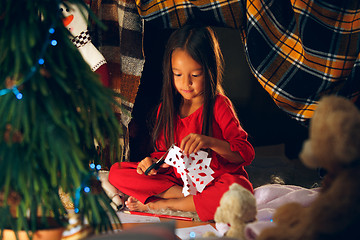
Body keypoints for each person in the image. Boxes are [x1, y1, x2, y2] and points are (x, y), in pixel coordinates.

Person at [108, 24, 255, 221]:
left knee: (238, 191)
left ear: (210, 69)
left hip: (215, 181)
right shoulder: (166, 109)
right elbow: (164, 154)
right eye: (178, 75)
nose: (186, 84)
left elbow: (245, 153)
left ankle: (161, 204)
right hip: (178, 182)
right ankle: (189, 198)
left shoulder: (219, 105)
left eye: (195, 75)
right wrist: (153, 164)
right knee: (116, 172)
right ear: (170, 72)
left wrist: (209, 142)